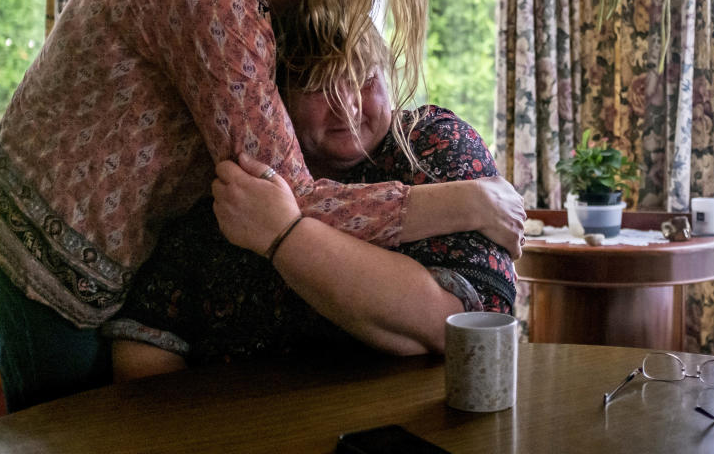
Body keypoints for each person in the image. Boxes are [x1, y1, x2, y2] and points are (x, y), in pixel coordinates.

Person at [0, 0, 526, 411]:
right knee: (59, 432)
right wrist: (471, 201)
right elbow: (282, 201)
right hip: (51, 241)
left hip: (95, 235)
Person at [106, 32, 519, 377]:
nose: (348, 104)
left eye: (364, 78)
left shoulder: (433, 145)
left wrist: (284, 235)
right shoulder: (238, 163)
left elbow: (453, 324)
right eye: (318, 84)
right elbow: (146, 341)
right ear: (275, 98)